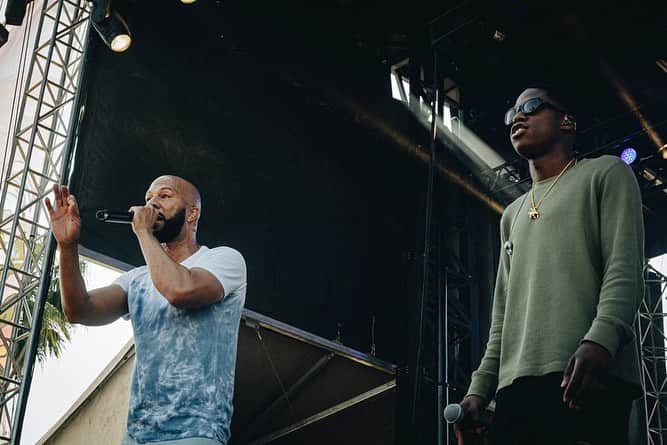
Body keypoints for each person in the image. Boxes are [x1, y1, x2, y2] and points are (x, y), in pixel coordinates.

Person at [458, 85, 644, 444]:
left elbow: (623, 269)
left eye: (531, 106)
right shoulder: (510, 216)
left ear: (567, 122)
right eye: (512, 113)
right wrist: (479, 390)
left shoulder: (607, 174)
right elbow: (503, 316)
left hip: (585, 373)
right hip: (515, 390)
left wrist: (601, 340)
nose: (518, 117)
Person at [45, 175, 247, 445]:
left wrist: (143, 231)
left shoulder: (224, 259)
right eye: (148, 198)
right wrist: (67, 247)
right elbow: (80, 311)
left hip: (196, 431)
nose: (152, 204)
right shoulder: (137, 279)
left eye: (164, 196)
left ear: (192, 214)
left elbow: (180, 290)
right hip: (137, 436)